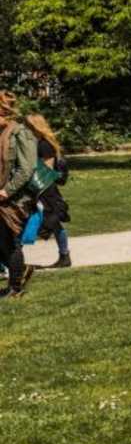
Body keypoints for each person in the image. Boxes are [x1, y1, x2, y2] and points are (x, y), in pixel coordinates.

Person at [0, 92, 38, 295]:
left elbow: (27, 168)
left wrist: (7, 191)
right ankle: (19, 273)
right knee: (2, 241)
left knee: (9, 241)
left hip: (14, 198)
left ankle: (15, 287)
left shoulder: (20, 133)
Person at [27, 114, 71, 269]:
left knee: (53, 221)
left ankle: (64, 256)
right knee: (53, 223)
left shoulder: (44, 145)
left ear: (35, 127)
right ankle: (64, 256)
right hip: (41, 188)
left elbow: (47, 170)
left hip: (45, 189)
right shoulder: (37, 143)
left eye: (28, 126)